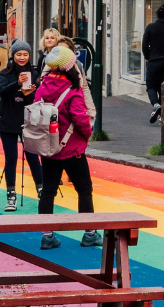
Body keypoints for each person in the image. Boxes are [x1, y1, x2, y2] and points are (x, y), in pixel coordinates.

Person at [36, 46, 99, 250]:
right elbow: (81, 119)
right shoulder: (73, 90)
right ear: (70, 67)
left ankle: (47, 235)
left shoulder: (43, 87)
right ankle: (89, 233)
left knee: (48, 190)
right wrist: (88, 134)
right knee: (84, 189)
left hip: (49, 148)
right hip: (72, 148)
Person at [0, 40, 43, 210]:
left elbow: (37, 99)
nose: (22, 57)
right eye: (19, 54)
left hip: (29, 122)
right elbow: (2, 92)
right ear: (13, 55)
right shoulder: (5, 73)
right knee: (11, 159)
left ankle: (42, 191)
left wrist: (27, 95)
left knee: (33, 157)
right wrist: (17, 84)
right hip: (7, 121)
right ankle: (11, 195)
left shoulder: (34, 73)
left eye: (25, 54)